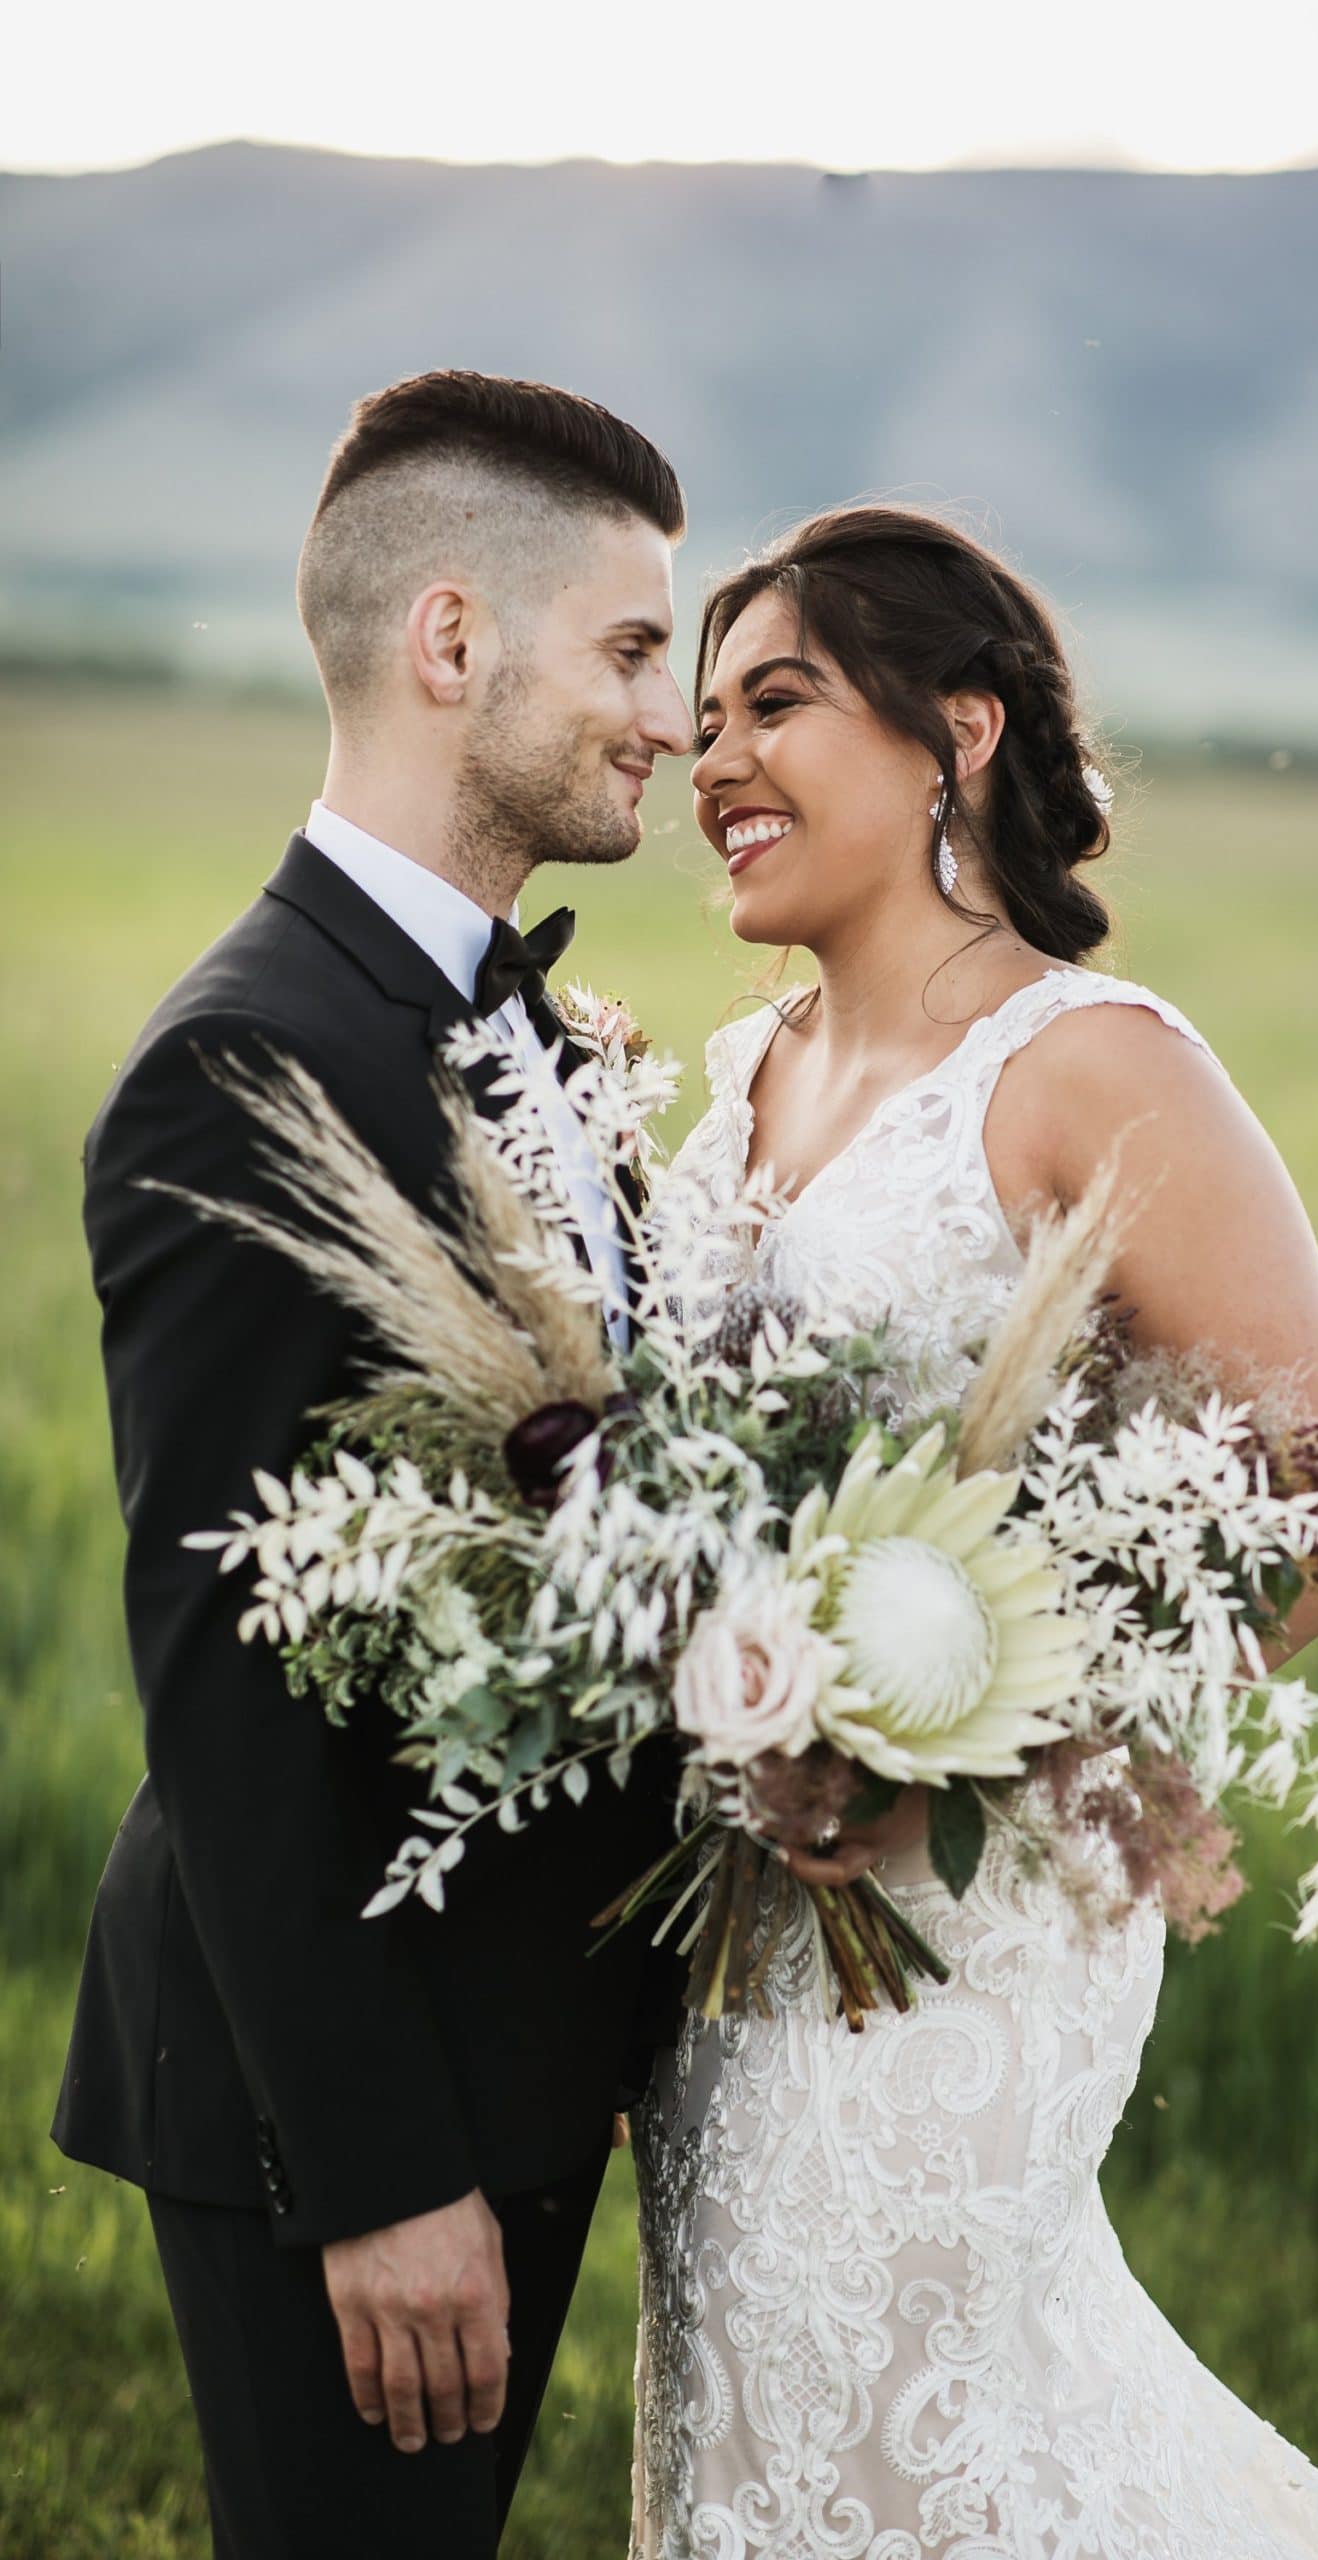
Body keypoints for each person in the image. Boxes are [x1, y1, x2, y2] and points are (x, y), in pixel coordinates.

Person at [631, 503, 1318, 2557]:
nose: (708, 761)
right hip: (735, 1936)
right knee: (754, 2420)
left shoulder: (1083, 1066)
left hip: (971, 1923)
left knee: (909, 2422)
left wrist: (940, 1745)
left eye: (773, 702)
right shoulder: (739, 1085)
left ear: (952, 734)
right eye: (698, 714)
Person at [53, 369, 694, 2559]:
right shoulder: (250, 1057)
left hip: (515, 2027)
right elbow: (220, 1672)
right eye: (627, 649)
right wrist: (379, 2170)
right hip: (339, 2081)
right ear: (451, 643)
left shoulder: (529, 1031)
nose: (669, 718)